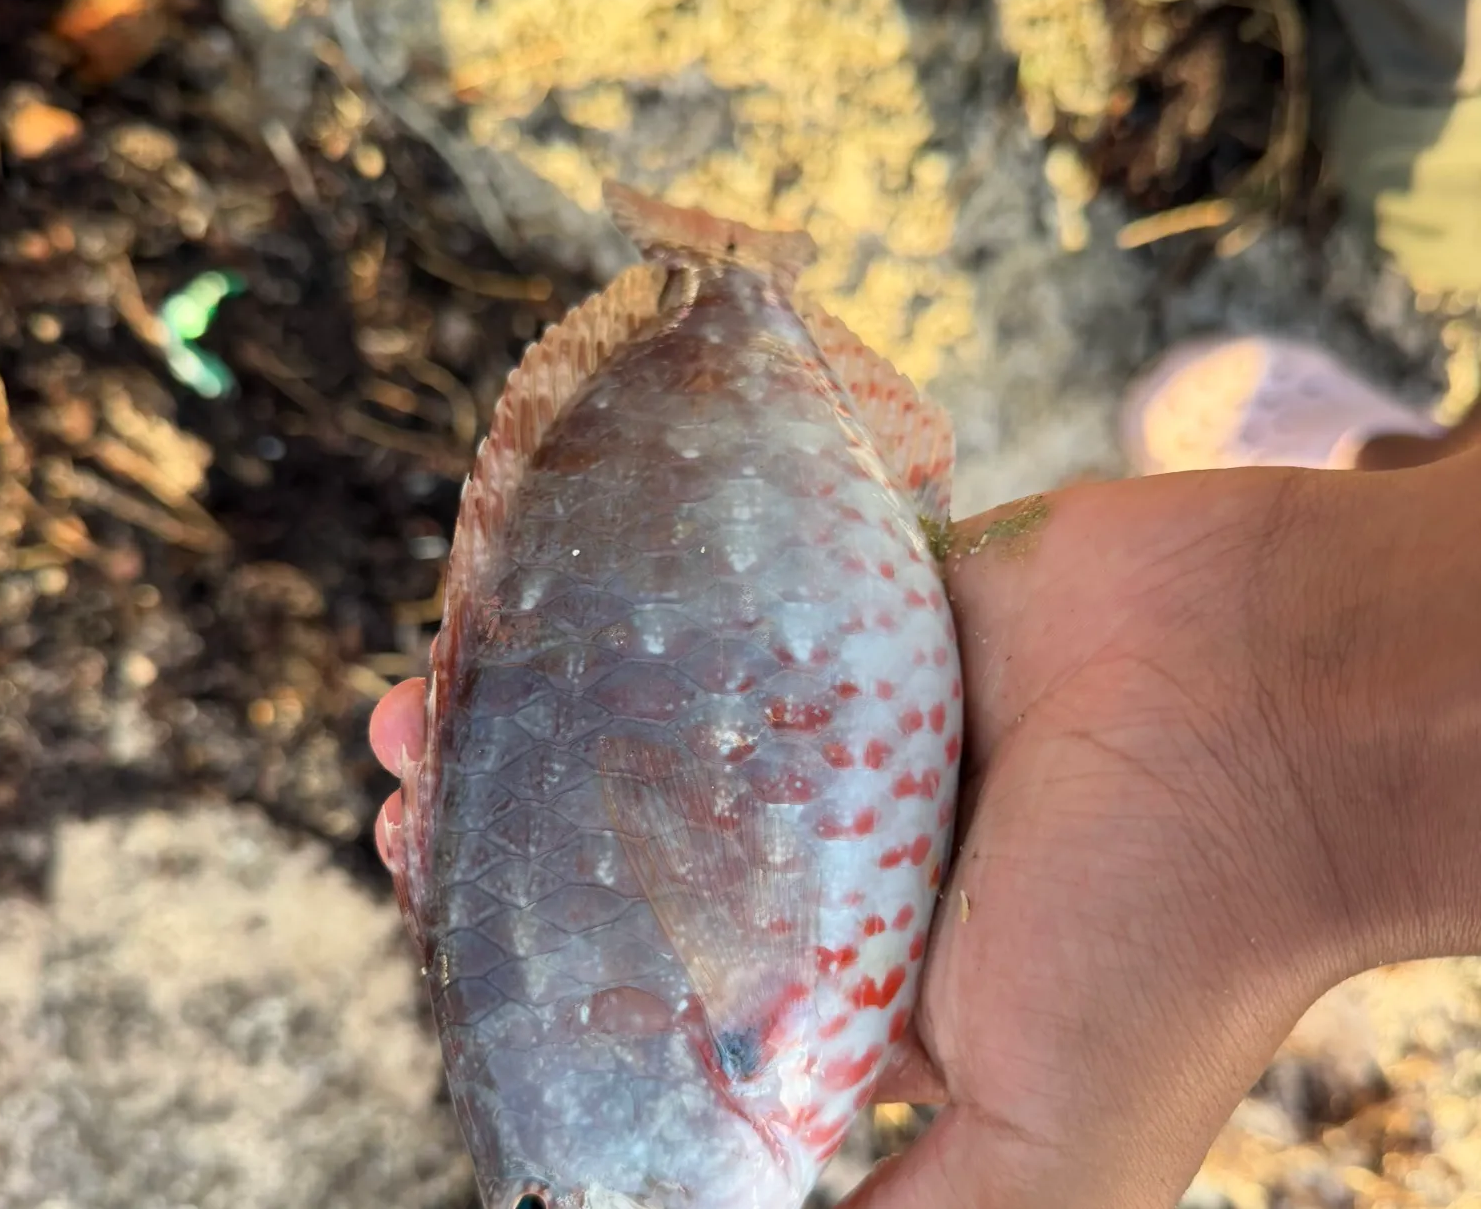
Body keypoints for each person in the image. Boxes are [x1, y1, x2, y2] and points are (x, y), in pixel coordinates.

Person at [367, 332, 1481, 1209]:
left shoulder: (722, 1062)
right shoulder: (665, 1080)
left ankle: (1392, 519)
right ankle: (1401, 511)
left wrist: (1307, 774)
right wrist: (1301, 739)